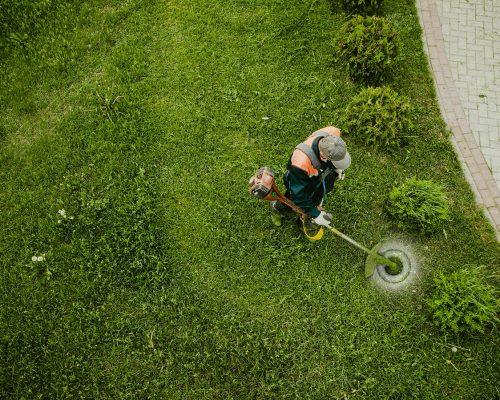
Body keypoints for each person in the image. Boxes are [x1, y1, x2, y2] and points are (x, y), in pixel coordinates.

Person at [270, 126, 351, 235]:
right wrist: (316, 214)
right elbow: (298, 195)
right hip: (301, 181)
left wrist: (337, 168)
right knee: (291, 200)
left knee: (315, 200)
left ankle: (304, 220)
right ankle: (278, 209)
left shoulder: (333, 132)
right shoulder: (300, 163)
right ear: (323, 155)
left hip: (319, 178)